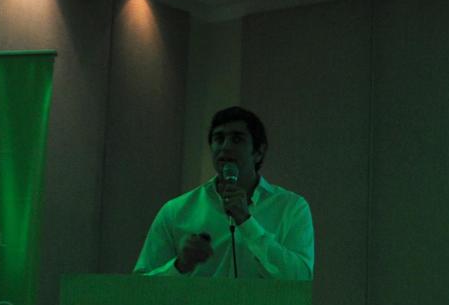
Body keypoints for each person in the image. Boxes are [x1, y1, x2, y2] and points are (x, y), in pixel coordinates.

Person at [134, 106, 314, 280]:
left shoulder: (291, 208)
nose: (225, 147)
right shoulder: (176, 211)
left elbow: (301, 278)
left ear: (259, 152)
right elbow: (140, 287)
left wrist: (246, 222)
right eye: (219, 139)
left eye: (237, 139)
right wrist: (180, 265)